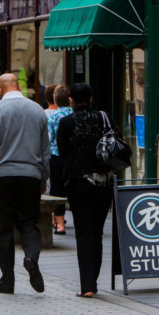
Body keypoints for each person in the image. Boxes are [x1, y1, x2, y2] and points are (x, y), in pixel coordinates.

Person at [0, 73, 49, 295]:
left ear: (0, 89)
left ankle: (7, 279)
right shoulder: (38, 110)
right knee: (29, 222)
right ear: (18, 86)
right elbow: (44, 151)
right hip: (30, 175)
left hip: (2, 177)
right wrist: (43, 178)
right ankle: (30, 257)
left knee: (4, 227)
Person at [57, 83, 117, 298]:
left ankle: (88, 286)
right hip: (103, 182)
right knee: (97, 233)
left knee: (83, 233)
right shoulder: (104, 118)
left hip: (78, 182)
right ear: (90, 99)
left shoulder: (66, 122)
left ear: (71, 100)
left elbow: (62, 151)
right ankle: (93, 280)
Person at [46, 85, 72, 235]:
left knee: (57, 190)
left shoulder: (53, 117)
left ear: (55, 100)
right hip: (73, 158)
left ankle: (60, 224)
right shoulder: (74, 114)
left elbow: (49, 140)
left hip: (56, 157)